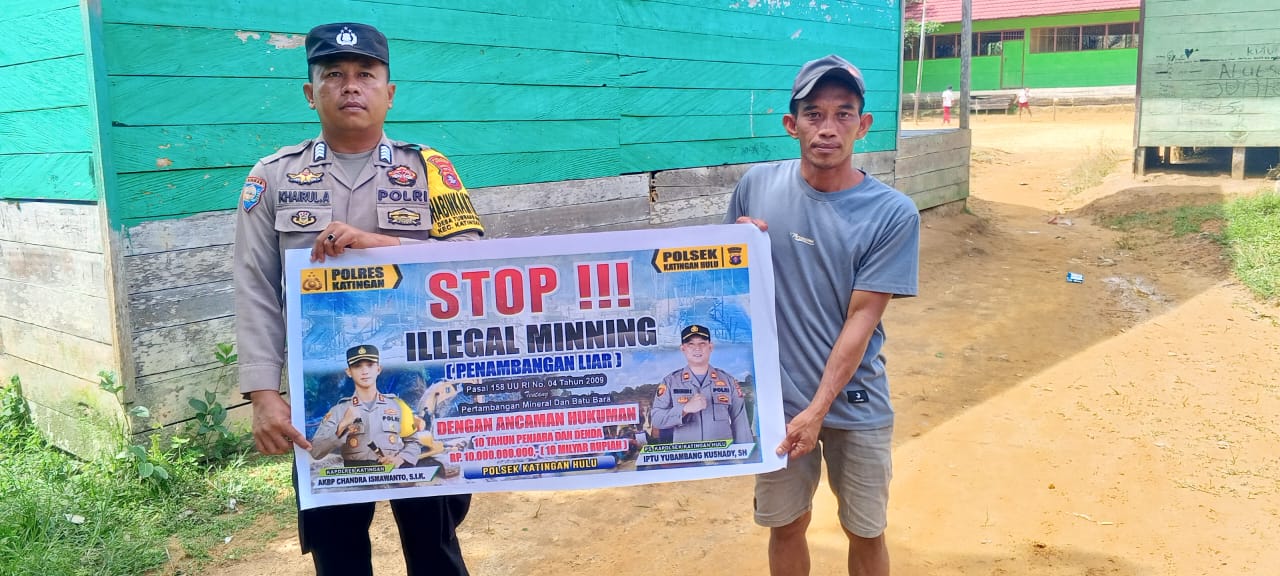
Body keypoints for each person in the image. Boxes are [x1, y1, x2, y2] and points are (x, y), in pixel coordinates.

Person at [234, 22, 483, 576]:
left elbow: (469, 258)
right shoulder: (273, 178)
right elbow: (254, 287)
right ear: (310, 91)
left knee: (435, 537)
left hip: (415, 392)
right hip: (323, 394)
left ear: (388, 92)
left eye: (365, 75)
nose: (351, 86)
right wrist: (262, 394)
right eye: (334, 75)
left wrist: (383, 245)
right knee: (337, 546)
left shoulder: (428, 170)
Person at [725, 54, 920, 576]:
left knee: (865, 529)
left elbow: (862, 319)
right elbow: (727, 291)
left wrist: (818, 409)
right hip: (779, 401)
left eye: (843, 113)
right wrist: (736, 251)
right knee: (785, 524)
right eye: (813, 114)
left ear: (864, 124)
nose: (828, 129)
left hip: (855, 401)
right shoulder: (756, 186)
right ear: (792, 125)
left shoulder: (891, 213)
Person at [309, 345, 421, 467]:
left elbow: (413, 442)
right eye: (357, 366)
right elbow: (315, 451)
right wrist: (342, 425)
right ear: (349, 372)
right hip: (355, 481)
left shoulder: (397, 406)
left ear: (378, 369)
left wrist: (400, 459)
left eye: (370, 365)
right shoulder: (339, 410)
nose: (365, 371)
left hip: (391, 479)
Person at [649, 324, 753, 444]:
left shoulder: (728, 381)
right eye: (691, 344)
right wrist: (684, 409)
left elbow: (741, 424)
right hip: (686, 458)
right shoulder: (670, 382)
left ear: (710, 347)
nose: (697, 348)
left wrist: (745, 455)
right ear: (683, 348)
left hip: (723, 457)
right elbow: (656, 418)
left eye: (702, 343)